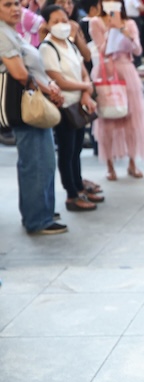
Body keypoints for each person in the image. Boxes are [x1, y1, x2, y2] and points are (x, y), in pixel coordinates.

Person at [1, 0, 67, 234]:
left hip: (36, 99)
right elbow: (19, 73)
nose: (15, 9)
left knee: (44, 160)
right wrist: (50, 90)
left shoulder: (11, 32)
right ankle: (37, 218)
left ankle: (42, 210)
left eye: (17, 4)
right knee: (36, 162)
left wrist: (50, 86)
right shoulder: (2, 33)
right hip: (26, 105)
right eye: (7, 5)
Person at [39, 3, 101, 213]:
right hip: (64, 106)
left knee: (76, 151)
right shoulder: (47, 48)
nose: (61, 25)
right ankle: (72, 195)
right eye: (55, 21)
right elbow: (58, 80)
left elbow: (84, 68)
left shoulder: (69, 43)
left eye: (64, 20)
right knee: (66, 152)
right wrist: (86, 86)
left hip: (78, 104)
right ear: (46, 25)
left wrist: (85, 90)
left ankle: (79, 186)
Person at [89, 0, 144, 180]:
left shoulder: (129, 23)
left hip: (127, 71)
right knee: (106, 120)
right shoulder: (96, 22)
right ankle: (109, 166)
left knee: (132, 120)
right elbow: (101, 49)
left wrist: (122, 30)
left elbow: (138, 50)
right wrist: (110, 30)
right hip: (106, 72)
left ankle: (132, 163)